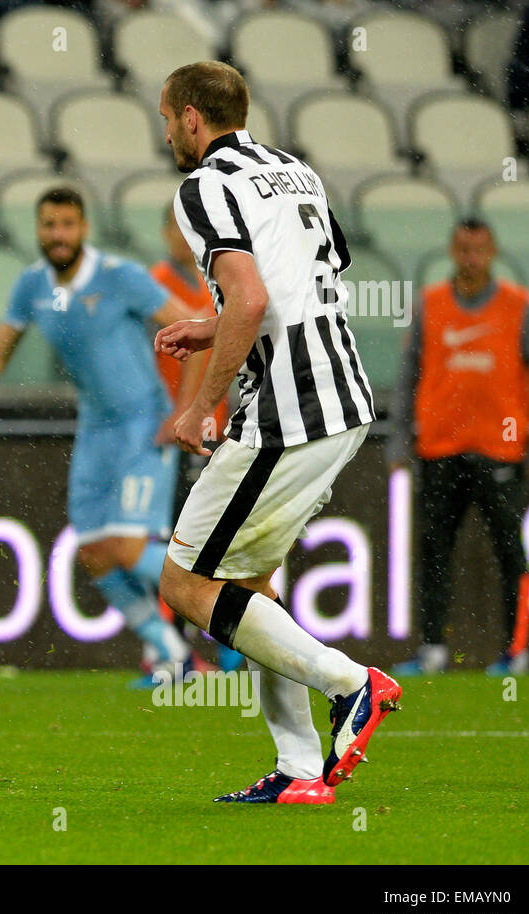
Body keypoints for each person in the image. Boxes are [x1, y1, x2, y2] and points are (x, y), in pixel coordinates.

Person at [153, 61, 401, 804]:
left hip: (290, 409)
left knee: (186, 582)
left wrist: (204, 402)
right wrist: (214, 323)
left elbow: (253, 295)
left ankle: (353, 684)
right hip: (340, 392)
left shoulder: (202, 185)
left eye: (167, 118)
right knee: (248, 582)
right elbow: (309, 275)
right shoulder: (296, 172)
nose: (166, 132)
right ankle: (300, 769)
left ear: (192, 118)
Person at [0, 186, 210, 685]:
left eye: (67, 225)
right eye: (49, 225)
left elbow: (200, 332)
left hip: (145, 425)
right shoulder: (31, 286)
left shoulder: (121, 278)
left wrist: (186, 410)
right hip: (96, 428)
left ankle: (225, 599)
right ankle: (173, 654)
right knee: (94, 552)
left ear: (84, 229)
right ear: (38, 229)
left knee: (127, 548)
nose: (58, 235)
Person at [388, 219, 529, 677]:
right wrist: (400, 441)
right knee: (434, 551)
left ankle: (515, 652)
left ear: (494, 252)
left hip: (501, 449)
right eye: (464, 249)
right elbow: (408, 376)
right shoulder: (430, 305)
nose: (471, 258)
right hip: (440, 447)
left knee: (510, 553)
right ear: (451, 250)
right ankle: (433, 650)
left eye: (479, 250)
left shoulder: (519, 306)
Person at [150, 204, 242, 672]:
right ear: (166, 233)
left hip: (220, 434)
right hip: (165, 437)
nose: (183, 239)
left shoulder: (229, 282)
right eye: (176, 229)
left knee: (220, 544)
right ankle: (174, 655)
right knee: (171, 543)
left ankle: (232, 645)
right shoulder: (155, 284)